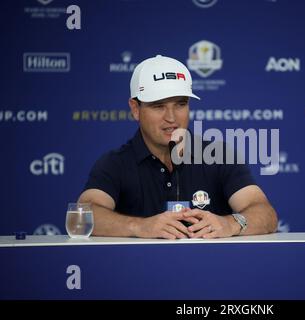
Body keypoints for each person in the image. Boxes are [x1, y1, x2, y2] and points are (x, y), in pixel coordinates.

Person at [78, 55, 278, 239]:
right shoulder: (115, 163)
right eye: (159, 106)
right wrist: (139, 226)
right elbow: (83, 216)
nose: (171, 118)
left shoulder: (219, 155)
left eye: (180, 104)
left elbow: (264, 213)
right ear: (135, 109)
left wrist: (230, 224)